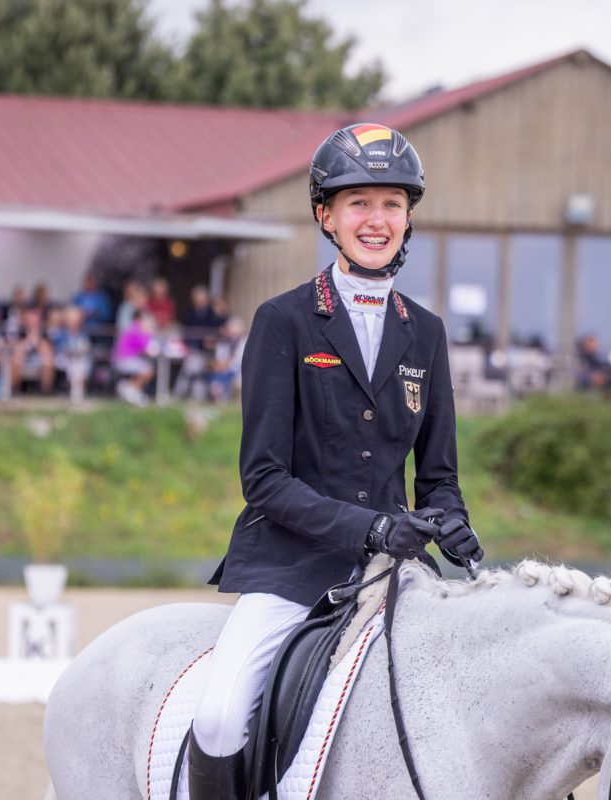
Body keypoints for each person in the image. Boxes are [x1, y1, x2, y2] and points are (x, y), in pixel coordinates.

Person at [188, 123, 483, 797]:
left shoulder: (427, 333)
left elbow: (437, 477)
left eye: (391, 204)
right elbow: (262, 479)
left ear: (409, 218)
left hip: (391, 572)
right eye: (358, 203)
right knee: (218, 716)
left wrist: (452, 523)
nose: (375, 220)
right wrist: (370, 528)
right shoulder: (283, 321)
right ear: (326, 215)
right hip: (291, 564)